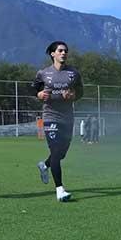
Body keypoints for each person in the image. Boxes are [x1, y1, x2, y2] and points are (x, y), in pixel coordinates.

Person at [33, 41, 84, 202]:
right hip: (50, 117)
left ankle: (44, 165)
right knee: (56, 151)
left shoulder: (73, 73)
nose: (64, 53)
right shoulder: (43, 73)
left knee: (61, 154)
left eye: (65, 51)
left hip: (68, 118)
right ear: (52, 54)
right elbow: (34, 89)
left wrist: (73, 96)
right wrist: (39, 94)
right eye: (60, 50)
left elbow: (81, 92)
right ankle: (60, 190)